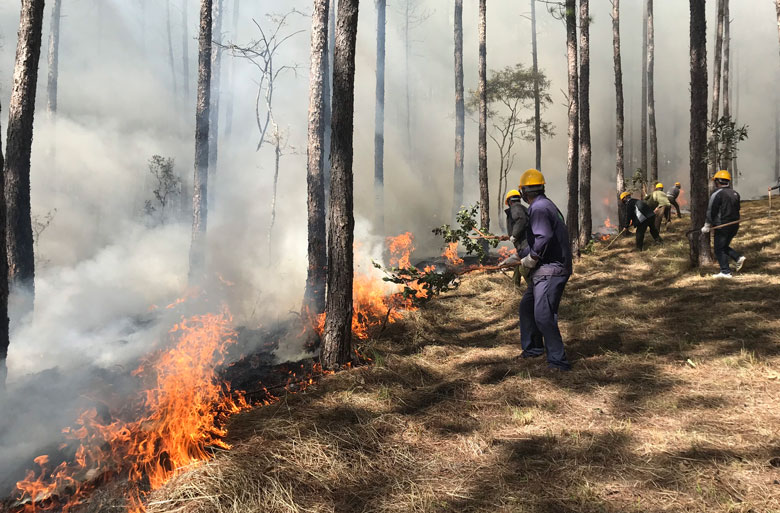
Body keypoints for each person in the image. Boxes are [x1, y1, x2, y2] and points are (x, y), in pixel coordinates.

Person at [516, 169, 572, 371]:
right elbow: (541, 238)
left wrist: (531, 259)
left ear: (524, 192)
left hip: (550, 270)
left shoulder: (538, 208)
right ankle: (534, 348)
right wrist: (519, 256)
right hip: (547, 268)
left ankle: (558, 361)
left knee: (542, 314)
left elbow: (543, 238)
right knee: (526, 307)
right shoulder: (546, 205)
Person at [703, 170, 745, 278]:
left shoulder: (717, 194)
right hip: (734, 225)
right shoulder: (735, 193)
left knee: (719, 249)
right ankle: (737, 258)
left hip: (723, 226)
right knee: (723, 246)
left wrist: (707, 224)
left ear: (717, 181)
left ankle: (725, 272)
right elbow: (737, 208)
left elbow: (711, 210)